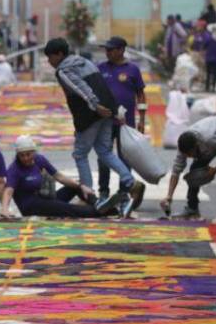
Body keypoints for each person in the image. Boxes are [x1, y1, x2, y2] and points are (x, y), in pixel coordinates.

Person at [43, 38, 145, 218]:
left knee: (80, 154)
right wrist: (111, 110)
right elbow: (102, 85)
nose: (49, 61)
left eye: (50, 57)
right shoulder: (85, 62)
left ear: (59, 54)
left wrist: (95, 106)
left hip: (90, 113)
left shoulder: (63, 70)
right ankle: (130, 182)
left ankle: (87, 194)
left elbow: (80, 88)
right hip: (108, 111)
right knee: (104, 151)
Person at [161, 115, 216, 219]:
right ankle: (192, 209)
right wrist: (169, 196)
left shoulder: (208, 138)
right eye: (187, 155)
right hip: (213, 142)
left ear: (196, 146)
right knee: (194, 172)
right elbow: (175, 172)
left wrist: (215, 169)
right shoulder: (183, 147)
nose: (189, 157)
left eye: (190, 154)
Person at [97, 37, 147, 207]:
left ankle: (124, 192)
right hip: (104, 122)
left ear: (121, 50)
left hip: (126, 124)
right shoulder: (101, 68)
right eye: (106, 50)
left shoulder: (133, 70)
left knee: (125, 157)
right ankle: (103, 192)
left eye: (110, 50)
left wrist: (142, 119)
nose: (107, 53)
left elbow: (141, 95)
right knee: (103, 157)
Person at [0, 135, 100, 218]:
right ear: (17, 155)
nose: (25, 158)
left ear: (33, 152)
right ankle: (100, 212)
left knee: (76, 186)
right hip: (31, 206)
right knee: (67, 208)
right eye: (22, 155)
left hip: (45, 199)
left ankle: (98, 203)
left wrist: (81, 186)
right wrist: (4, 208)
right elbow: (8, 191)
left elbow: (59, 177)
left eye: (28, 154)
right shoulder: (14, 169)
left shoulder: (39, 159)